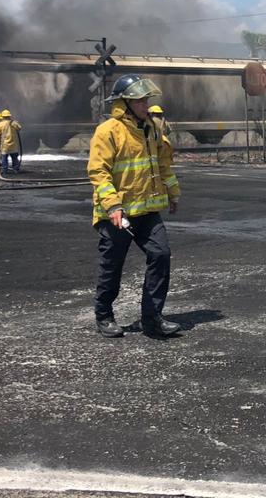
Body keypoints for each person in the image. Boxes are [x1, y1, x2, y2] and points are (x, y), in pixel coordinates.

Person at [88, 75, 181, 339]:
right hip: (117, 214)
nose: (146, 104)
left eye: (146, 99)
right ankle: (104, 316)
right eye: (140, 100)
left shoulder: (152, 128)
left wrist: (173, 193)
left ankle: (152, 319)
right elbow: (99, 172)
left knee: (161, 255)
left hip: (148, 211)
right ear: (125, 103)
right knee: (112, 266)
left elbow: (162, 166)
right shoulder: (108, 131)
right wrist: (113, 206)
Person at [0, 109, 22, 174]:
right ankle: (16, 169)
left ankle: (4, 171)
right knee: (14, 157)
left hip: (4, 145)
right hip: (14, 144)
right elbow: (19, 128)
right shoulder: (13, 123)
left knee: (4, 158)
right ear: (9, 116)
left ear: (2, 116)